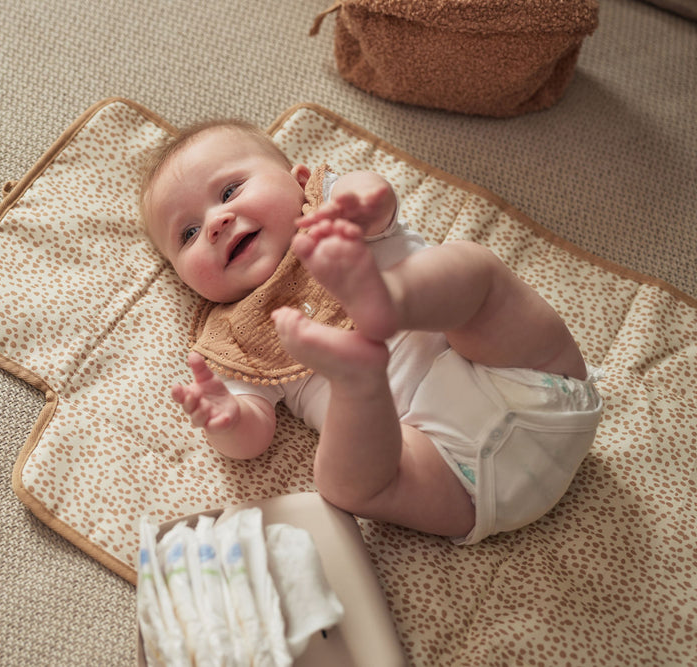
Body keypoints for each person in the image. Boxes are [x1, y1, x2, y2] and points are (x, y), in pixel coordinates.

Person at [139, 119, 603, 544]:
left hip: (530, 377)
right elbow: (252, 437)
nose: (217, 224)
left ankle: (391, 301)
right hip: (452, 476)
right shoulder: (233, 337)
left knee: (471, 269)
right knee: (341, 485)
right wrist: (228, 421)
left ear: (301, 181)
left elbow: (374, 194)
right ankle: (356, 382)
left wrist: (357, 205)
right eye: (188, 234)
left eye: (230, 191)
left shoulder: (333, 212)